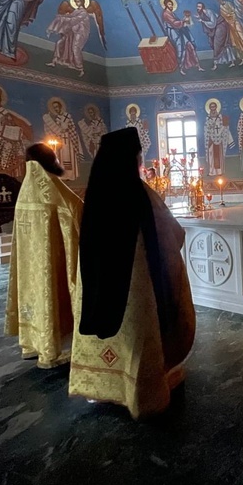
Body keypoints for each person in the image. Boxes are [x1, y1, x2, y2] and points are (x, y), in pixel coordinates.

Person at [69, 127, 196, 420]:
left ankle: (99, 387)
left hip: (97, 288)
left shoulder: (94, 194)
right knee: (138, 338)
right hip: (135, 293)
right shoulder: (141, 194)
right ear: (132, 159)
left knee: (102, 329)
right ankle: (142, 394)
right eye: (138, 156)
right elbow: (172, 234)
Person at [4, 142, 83, 368]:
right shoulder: (51, 186)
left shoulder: (27, 187)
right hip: (49, 259)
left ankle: (31, 345)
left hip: (29, 263)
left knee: (32, 294)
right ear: (49, 160)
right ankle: (49, 353)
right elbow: (76, 209)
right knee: (49, 292)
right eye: (54, 157)